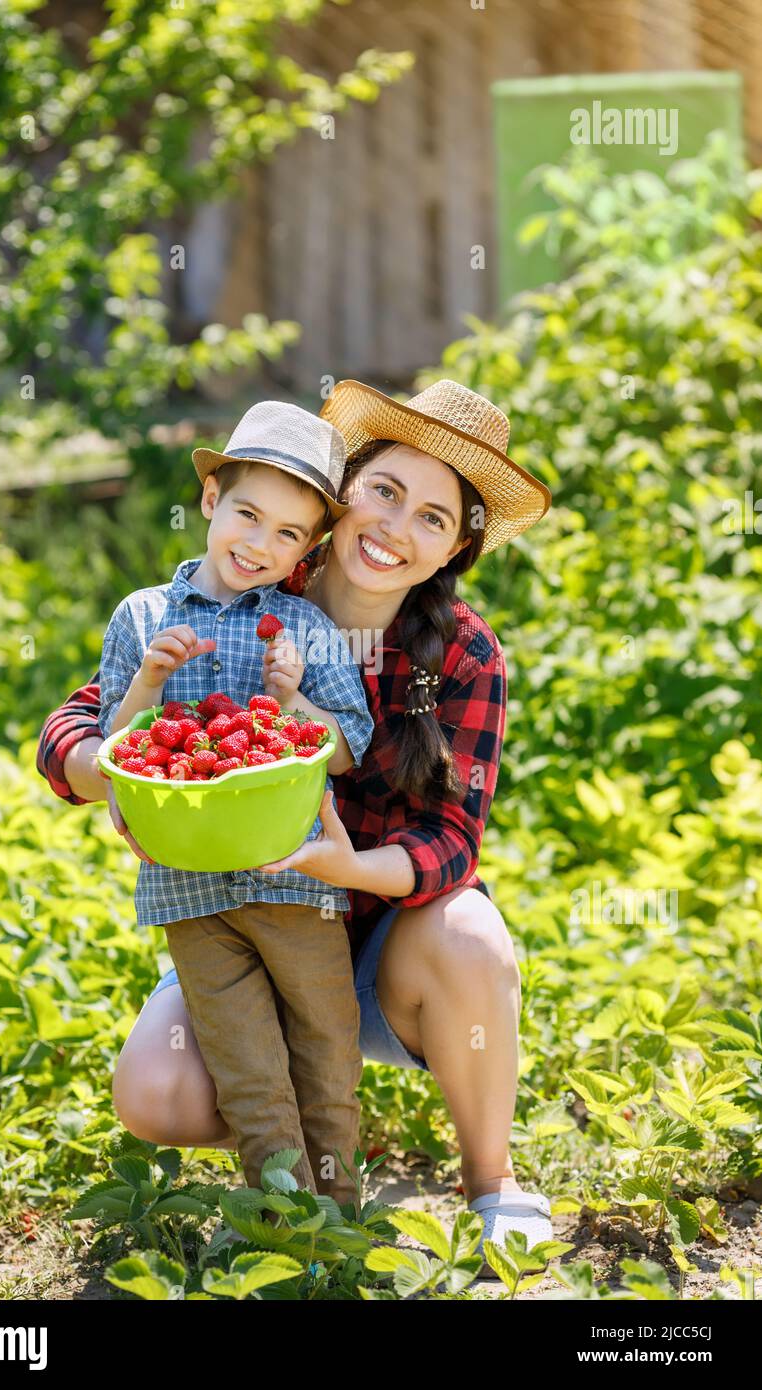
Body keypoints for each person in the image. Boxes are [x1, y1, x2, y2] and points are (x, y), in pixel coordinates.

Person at [37, 377, 555, 1263]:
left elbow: (451, 844)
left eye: (434, 517)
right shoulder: (258, 580)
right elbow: (79, 722)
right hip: (236, 909)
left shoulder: (461, 653)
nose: (396, 528)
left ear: (455, 548)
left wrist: (343, 867)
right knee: (154, 1095)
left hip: (383, 946)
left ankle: (491, 1181)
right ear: (340, 494)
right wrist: (109, 771)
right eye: (385, 491)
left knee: (470, 932)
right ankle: (287, 1174)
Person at [95, 398, 375, 1210]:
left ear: (309, 547)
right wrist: (149, 681)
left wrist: (291, 699)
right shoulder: (142, 618)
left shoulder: (307, 629)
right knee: (247, 1065)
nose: (260, 544)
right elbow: (119, 755)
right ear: (211, 499)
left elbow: (346, 747)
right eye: (248, 515)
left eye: (288, 533)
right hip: (188, 887)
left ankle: (342, 1216)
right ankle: (285, 1225)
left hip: (295, 880)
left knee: (325, 1050)